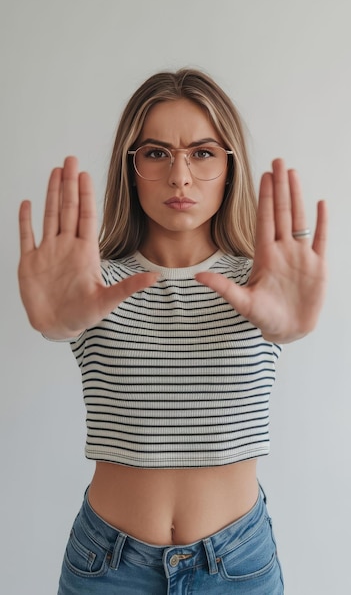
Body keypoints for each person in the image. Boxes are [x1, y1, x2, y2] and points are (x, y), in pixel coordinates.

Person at [18, 68, 327, 595]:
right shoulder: (91, 284)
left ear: (230, 167)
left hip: (238, 564)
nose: (180, 177)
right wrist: (54, 325)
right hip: (107, 565)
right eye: (156, 153)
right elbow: (65, 315)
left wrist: (293, 329)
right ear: (131, 166)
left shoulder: (265, 284)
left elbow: (285, 319)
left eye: (203, 153)